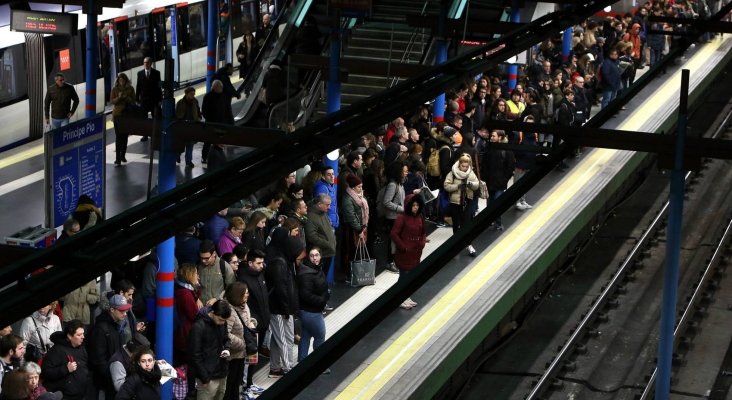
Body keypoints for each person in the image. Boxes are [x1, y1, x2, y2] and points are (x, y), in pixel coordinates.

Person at [265, 230, 305, 378]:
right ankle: (289, 369)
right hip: (280, 310)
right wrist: (286, 310)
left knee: (277, 339)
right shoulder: (280, 264)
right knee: (285, 339)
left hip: (282, 308)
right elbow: (282, 290)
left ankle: (275, 368)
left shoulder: (282, 261)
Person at [235, 250, 268, 395]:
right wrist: (251, 323)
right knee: (248, 359)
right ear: (250, 263)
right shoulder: (243, 280)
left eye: (262, 262)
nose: (262, 266)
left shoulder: (260, 275)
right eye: (258, 263)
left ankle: (249, 383)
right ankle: (244, 386)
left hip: (262, 324)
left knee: (254, 358)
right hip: (251, 327)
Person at [89, 294, 133, 398]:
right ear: (112, 310)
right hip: (107, 381)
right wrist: (111, 375)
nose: (125, 314)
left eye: (126, 311)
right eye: (122, 311)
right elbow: (98, 360)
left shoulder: (116, 324)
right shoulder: (100, 329)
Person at [188, 300, 232, 400]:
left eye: (224, 320)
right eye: (221, 319)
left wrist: (227, 348)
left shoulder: (222, 322)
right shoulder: (198, 327)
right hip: (208, 377)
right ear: (213, 313)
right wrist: (204, 378)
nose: (223, 323)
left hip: (222, 372)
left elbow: (226, 338)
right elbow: (194, 355)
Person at [222, 283, 257, 400]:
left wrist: (252, 323)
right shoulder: (229, 311)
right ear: (238, 295)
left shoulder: (244, 305)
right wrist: (242, 343)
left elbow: (245, 321)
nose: (247, 295)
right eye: (245, 293)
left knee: (237, 384)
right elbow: (225, 333)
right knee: (230, 385)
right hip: (232, 356)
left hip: (241, 354)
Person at [390, 195, 427, 309]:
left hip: (415, 253)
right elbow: (394, 234)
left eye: (417, 205)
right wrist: (403, 247)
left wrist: (422, 243)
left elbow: (423, 233)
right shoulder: (402, 218)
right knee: (403, 276)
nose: (415, 207)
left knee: (409, 277)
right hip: (404, 254)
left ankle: (405, 296)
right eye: (413, 205)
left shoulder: (420, 217)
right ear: (409, 205)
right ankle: (399, 298)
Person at [41, 320, 92, 400]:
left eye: (83, 334)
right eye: (79, 335)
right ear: (69, 336)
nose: (83, 337)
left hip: (81, 394)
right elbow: (45, 372)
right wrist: (65, 369)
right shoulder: (57, 350)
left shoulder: (81, 348)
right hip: (65, 396)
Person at [443, 154, 480, 256]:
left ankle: (469, 245)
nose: (464, 168)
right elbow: (446, 185)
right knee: (456, 225)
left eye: (466, 167)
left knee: (466, 225)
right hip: (455, 203)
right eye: (463, 166)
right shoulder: (453, 173)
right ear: (459, 164)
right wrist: (457, 186)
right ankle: (457, 245)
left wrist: (470, 184)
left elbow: (477, 184)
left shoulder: (470, 173)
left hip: (467, 203)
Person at [296, 247, 329, 362]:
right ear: (308, 257)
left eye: (317, 255)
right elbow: (306, 295)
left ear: (320, 256)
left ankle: (302, 362)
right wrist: (322, 300)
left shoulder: (315, 268)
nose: (315, 258)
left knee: (305, 336)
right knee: (320, 336)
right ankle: (318, 364)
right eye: (312, 255)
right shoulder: (307, 273)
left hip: (308, 311)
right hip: (311, 312)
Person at [484, 130, 515, 231]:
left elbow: (510, 167)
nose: (491, 137)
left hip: (500, 183)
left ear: (500, 137)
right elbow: (485, 164)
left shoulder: (507, 150)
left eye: (493, 136)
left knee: (497, 203)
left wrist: (504, 180)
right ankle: (490, 221)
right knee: (490, 203)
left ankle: (498, 222)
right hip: (490, 182)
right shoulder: (489, 148)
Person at [381, 161, 408, 273]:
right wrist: (401, 209)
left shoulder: (400, 183)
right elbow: (386, 202)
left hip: (398, 216)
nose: (406, 173)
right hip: (392, 217)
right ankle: (390, 262)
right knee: (393, 240)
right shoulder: (393, 185)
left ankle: (395, 260)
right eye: (404, 171)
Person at [340, 174, 369, 279]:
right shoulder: (348, 199)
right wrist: (359, 229)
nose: (361, 189)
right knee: (351, 251)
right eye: (359, 187)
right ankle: (349, 274)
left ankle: (357, 272)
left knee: (359, 250)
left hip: (361, 227)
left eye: (361, 186)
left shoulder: (359, 195)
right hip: (352, 230)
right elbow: (351, 216)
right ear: (352, 187)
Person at [304, 194, 337, 279]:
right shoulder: (311, 217)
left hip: (328, 251)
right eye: (327, 205)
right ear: (319, 204)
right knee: (319, 277)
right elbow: (311, 236)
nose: (329, 207)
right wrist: (327, 244)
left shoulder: (323, 213)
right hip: (321, 254)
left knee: (323, 277)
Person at [198, 240, 236, 304]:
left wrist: (216, 298)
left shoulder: (224, 266)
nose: (203, 261)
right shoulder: (198, 266)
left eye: (206, 258)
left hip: (218, 307)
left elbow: (231, 288)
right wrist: (197, 299)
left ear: (214, 254)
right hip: (201, 307)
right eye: (201, 258)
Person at [110, 73, 136, 166]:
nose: (121, 82)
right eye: (120, 80)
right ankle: (117, 159)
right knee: (118, 137)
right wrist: (119, 98)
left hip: (127, 115)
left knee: (125, 136)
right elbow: (111, 101)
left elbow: (134, 100)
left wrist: (126, 97)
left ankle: (123, 155)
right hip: (117, 115)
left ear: (126, 80)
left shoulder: (130, 89)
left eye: (123, 80)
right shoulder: (114, 89)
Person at [175, 86, 202, 168]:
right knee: (181, 145)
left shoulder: (195, 101)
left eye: (194, 94)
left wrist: (199, 118)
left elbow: (198, 111)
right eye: (191, 94)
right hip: (183, 127)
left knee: (190, 145)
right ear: (186, 94)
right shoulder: (180, 103)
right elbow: (177, 115)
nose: (193, 96)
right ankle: (177, 156)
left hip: (192, 126)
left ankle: (188, 161)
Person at [136, 57, 163, 122]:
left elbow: (159, 87)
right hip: (144, 100)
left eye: (147, 62)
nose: (145, 64)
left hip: (154, 99)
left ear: (151, 63)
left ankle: (156, 130)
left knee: (156, 117)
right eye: (144, 63)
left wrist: (160, 99)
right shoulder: (140, 73)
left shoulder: (156, 73)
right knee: (143, 117)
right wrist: (137, 99)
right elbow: (138, 86)